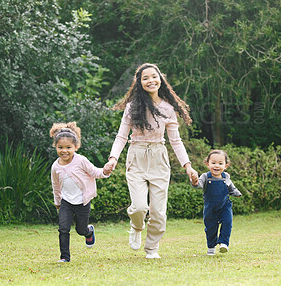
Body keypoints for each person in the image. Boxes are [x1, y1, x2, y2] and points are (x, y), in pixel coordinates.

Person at [105, 63, 199, 259]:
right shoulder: (132, 107)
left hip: (159, 157)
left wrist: (188, 166)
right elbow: (122, 136)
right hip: (136, 156)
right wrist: (113, 158)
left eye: (154, 77)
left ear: (160, 79)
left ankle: (152, 248)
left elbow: (175, 140)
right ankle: (136, 226)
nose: (150, 81)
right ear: (139, 83)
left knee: (158, 212)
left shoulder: (167, 108)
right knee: (139, 206)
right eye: (145, 78)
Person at [50, 122, 112, 263]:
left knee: (80, 229)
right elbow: (56, 185)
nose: (64, 151)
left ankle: (88, 231)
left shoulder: (81, 160)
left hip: (82, 201)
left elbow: (94, 172)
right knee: (63, 228)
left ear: (75, 147)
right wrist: (57, 201)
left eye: (68, 147)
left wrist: (105, 171)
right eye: (60, 147)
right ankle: (64, 257)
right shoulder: (55, 166)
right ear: (55, 147)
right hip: (66, 202)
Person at [191, 149, 242, 255]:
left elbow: (231, 187)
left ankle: (224, 243)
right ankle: (211, 246)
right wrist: (195, 181)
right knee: (210, 227)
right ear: (207, 164)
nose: (216, 166)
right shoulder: (205, 176)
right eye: (213, 163)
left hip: (224, 205)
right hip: (210, 207)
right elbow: (199, 185)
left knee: (227, 222)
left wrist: (236, 193)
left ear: (226, 165)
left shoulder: (226, 176)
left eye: (220, 163)